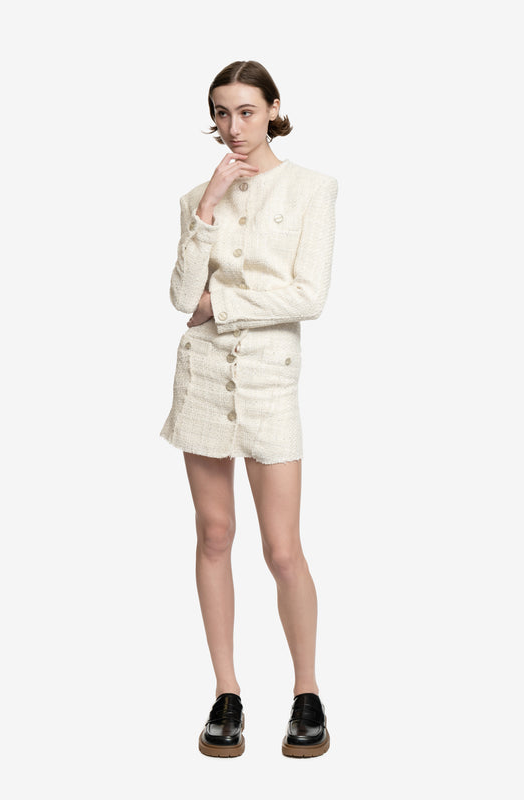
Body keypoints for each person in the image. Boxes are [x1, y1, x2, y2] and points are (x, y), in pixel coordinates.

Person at [160, 60, 338, 759]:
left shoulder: (312, 188)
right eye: (221, 112)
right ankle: (226, 692)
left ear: (273, 109)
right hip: (202, 378)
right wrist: (208, 205)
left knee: (282, 549)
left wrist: (222, 304)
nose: (233, 126)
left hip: (269, 381)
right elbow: (182, 297)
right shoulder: (194, 197)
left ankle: (307, 692)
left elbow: (308, 296)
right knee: (213, 534)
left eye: (246, 111)